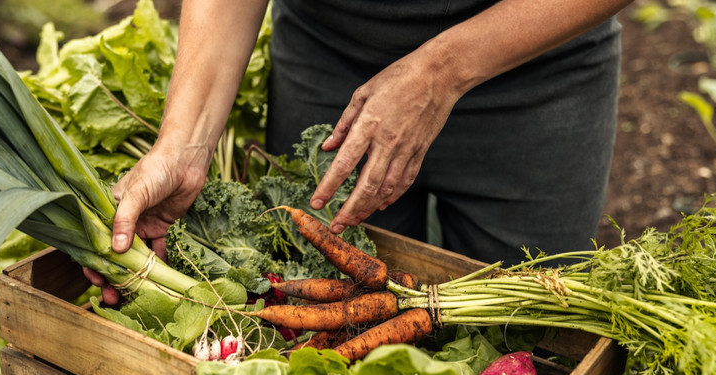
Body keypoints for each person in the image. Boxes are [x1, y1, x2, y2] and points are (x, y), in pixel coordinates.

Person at [85, 0, 636, 304]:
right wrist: (185, 144)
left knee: (530, 333)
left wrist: (439, 72)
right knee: (319, 304)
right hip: (331, 61)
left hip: (535, 68)